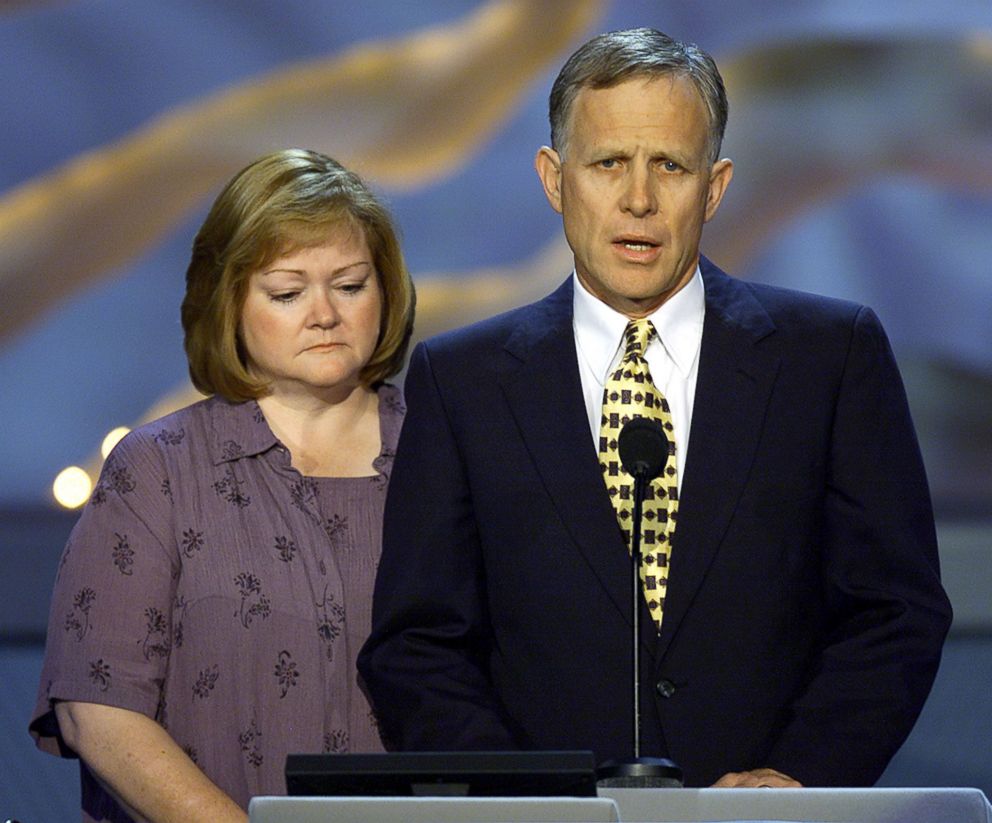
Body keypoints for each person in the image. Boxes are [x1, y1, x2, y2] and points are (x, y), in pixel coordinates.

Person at [357, 28, 952, 788]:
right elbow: (418, 645)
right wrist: (525, 795)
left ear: (715, 186)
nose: (638, 199)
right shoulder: (463, 379)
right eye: (608, 163)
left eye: (669, 165)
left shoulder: (830, 358)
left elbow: (895, 612)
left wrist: (799, 776)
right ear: (554, 178)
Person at [30, 148, 415, 822]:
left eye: (350, 284)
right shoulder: (158, 470)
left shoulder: (448, 455)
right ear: (229, 303)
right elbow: (98, 709)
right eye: (288, 292)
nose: (324, 313)